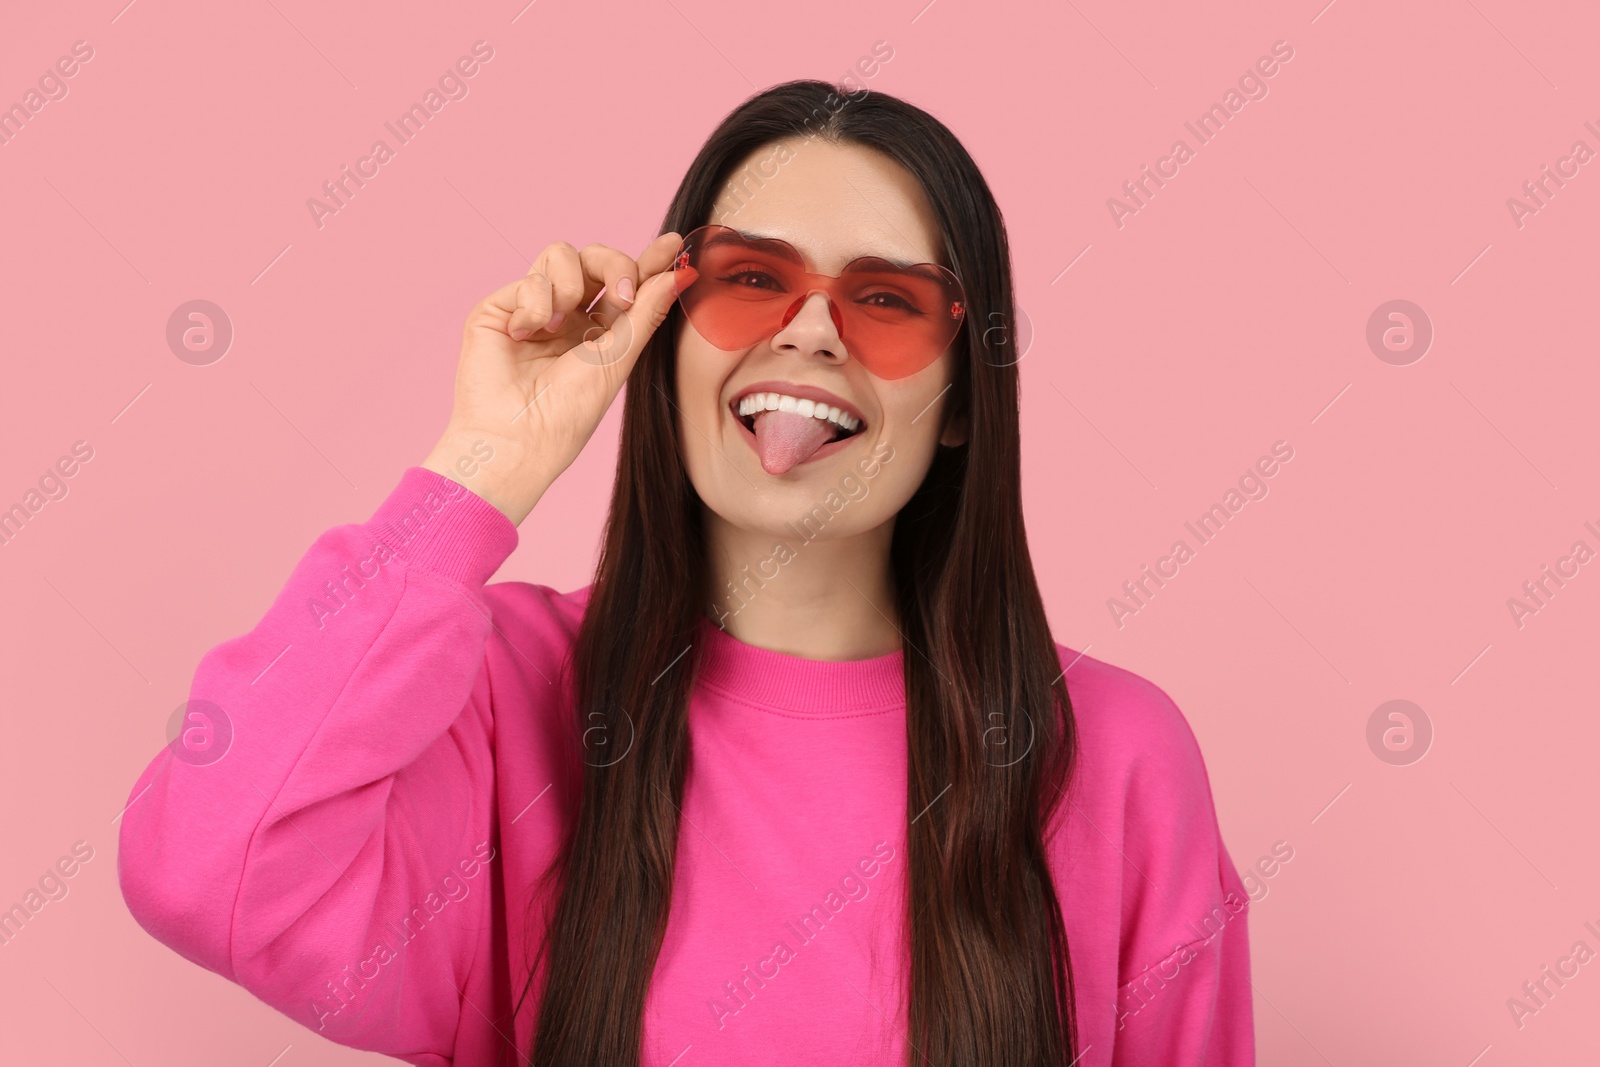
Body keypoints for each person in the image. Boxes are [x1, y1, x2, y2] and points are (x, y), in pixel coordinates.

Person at [117, 79, 1254, 1066]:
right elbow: (206, 865)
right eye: (752, 279)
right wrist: (487, 464)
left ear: (961, 399)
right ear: (668, 328)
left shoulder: (1111, 756)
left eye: (886, 301)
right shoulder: (503, 695)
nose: (812, 333)